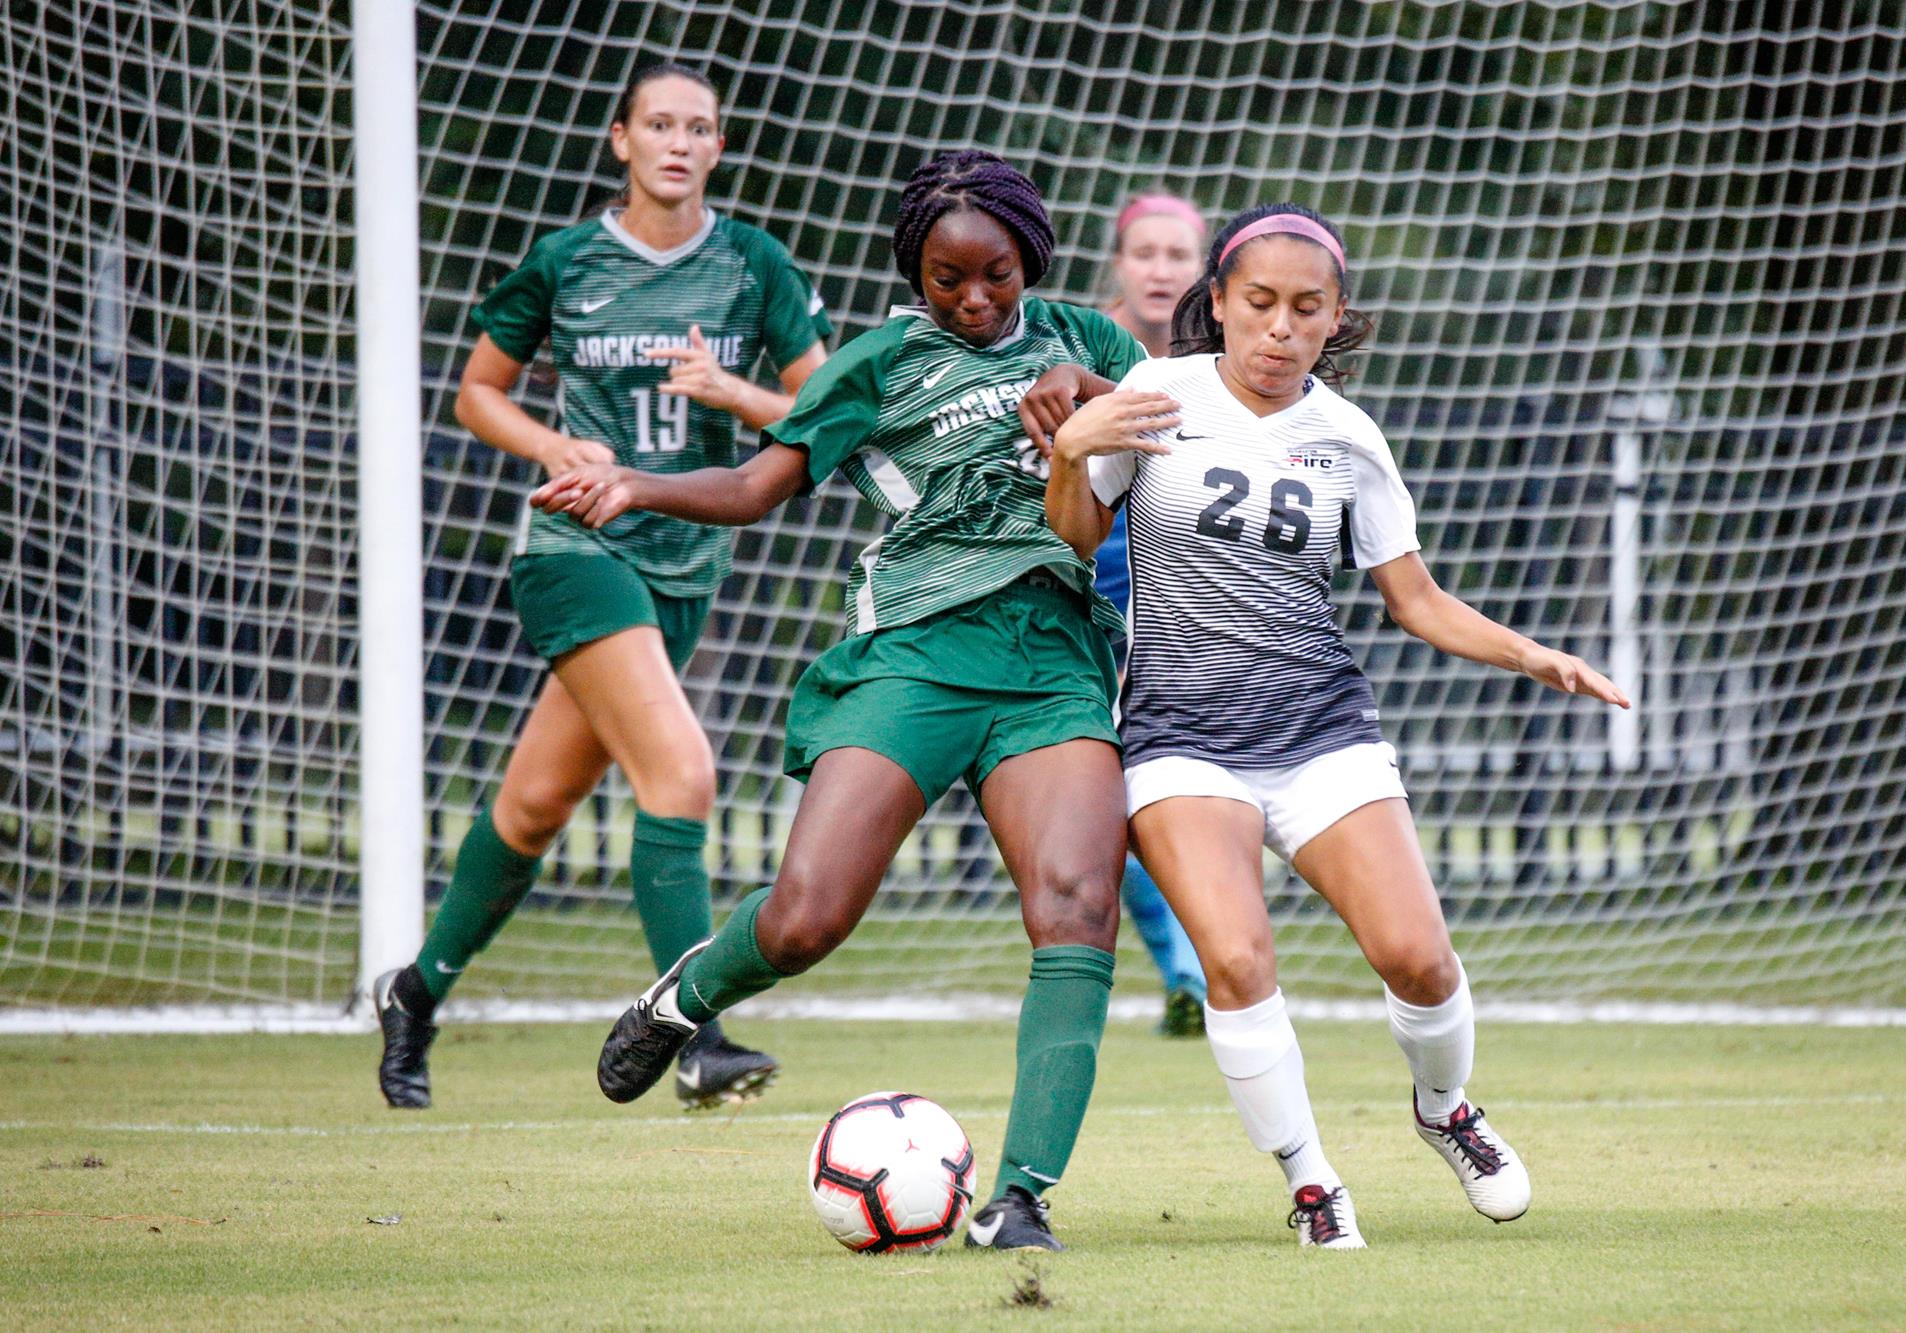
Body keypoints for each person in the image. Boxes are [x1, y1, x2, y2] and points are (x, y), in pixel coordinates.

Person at [533, 150, 1155, 1253]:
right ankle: (681, 1000)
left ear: (1032, 260)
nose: (972, 300)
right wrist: (634, 484)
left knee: (1075, 905)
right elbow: (755, 485)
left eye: (995, 275)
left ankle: (1019, 1197)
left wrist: (1092, 400)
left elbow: (1167, 432)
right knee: (805, 917)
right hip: (912, 651)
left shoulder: (1090, 342)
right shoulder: (876, 362)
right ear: (913, 277)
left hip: (1051, 657)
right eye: (944, 279)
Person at [1040, 203, 1629, 1249]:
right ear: (1215, 303)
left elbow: (1417, 600)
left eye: (1304, 309)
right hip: (1178, 735)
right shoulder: (1155, 394)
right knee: (1235, 959)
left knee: (1417, 959)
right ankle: (1312, 1184)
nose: (1277, 328)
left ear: (1335, 320)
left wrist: (1529, 651)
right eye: (1256, 303)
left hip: (1320, 731)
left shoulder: (1348, 439)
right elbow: (1078, 535)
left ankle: (1444, 1109)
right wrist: (1070, 452)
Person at [370, 61, 832, 1112]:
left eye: (698, 127)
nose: (678, 141)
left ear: (719, 147)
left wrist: (733, 391)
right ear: (619, 139)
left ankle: (414, 992)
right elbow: (478, 392)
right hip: (574, 553)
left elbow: (820, 415)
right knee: (681, 774)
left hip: (682, 561)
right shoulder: (566, 261)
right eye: (657, 124)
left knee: (534, 806)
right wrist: (551, 446)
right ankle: (697, 1034)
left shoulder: (752, 264)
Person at [1095, 192, 1210, 1036]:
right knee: (1111, 799)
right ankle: (1186, 969)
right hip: (1092, 599)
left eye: (1179, 254)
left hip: (1190, 603)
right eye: (1146, 252)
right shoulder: (1072, 351)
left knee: (1190, 795)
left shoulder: (1229, 360)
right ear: (1119, 263)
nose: (1162, 269)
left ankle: (1204, 966)